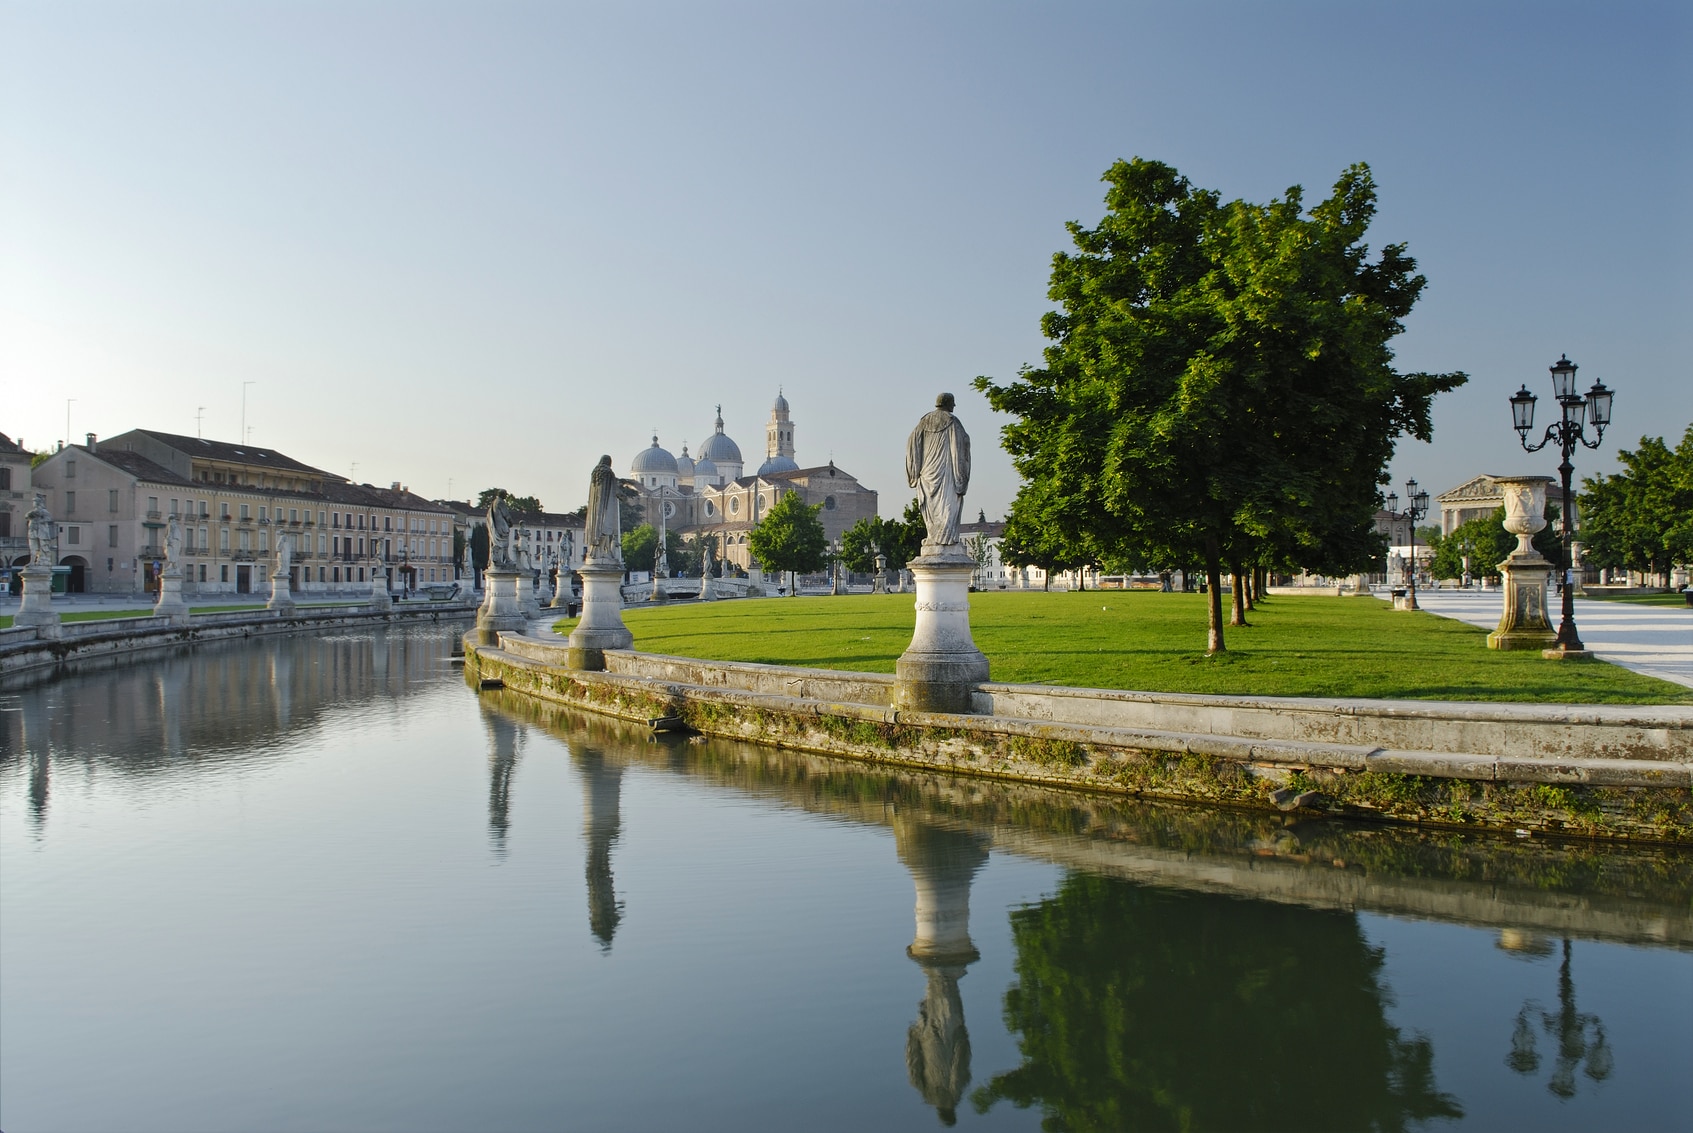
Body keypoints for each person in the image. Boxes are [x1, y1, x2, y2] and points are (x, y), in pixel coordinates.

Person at [905, 393, 972, 551]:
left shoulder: (922, 423)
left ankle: (933, 538)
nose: (954, 406)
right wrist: (960, 476)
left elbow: (912, 445)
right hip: (946, 472)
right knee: (948, 507)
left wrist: (914, 472)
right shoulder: (953, 422)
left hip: (927, 473)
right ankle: (946, 541)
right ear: (948, 403)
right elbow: (959, 449)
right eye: (953, 403)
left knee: (932, 508)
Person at [585, 455, 621, 562]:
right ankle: (605, 551)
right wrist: (624, 496)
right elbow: (615, 490)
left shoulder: (594, 473)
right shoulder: (609, 473)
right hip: (605, 506)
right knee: (606, 526)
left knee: (597, 527)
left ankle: (595, 551)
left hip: (595, 509)